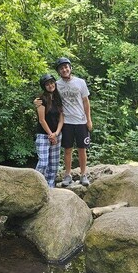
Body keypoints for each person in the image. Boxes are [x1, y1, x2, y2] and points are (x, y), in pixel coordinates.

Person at [51, 56, 92, 186]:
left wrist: (89, 120)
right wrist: (38, 101)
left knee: (82, 149)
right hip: (66, 121)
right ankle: (67, 175)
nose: (64, 69)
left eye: (66, 67)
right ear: (59, 71)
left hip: (81, 120)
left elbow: (86, 102)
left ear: (70, 68)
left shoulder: (80, 82)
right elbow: (48, 96)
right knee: (67, 149)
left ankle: (83, 174)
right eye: (61, 68)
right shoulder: (57, 85)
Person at [34, 73, 64, 187]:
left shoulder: (58, 99)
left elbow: (61, 119)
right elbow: (41, 120)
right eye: (47, 84)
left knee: (54, 164)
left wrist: (56, 133)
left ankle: (50, 186)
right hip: (43, 135)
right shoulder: (41, 100)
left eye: (52, 83)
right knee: (43, 162)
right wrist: (50, 134)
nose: (50, 85)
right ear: (44, 86)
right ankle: (35, 183)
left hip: (57, 135)